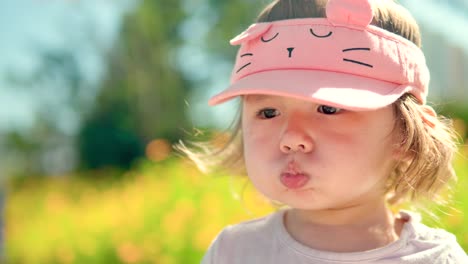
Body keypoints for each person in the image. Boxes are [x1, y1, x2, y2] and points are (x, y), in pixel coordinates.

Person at [178, 0, 468, 262]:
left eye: (328, 109)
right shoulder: (235, 252)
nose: (291, 138)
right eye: (268, 113)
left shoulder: (437, 259)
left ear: (404, 134)